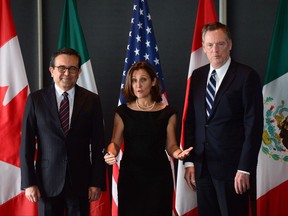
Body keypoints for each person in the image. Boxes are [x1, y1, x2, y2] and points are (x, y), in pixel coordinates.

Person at [184, 22, 263, 216]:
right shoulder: (198, 76)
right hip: (202, 167)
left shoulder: (246, 76)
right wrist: (190, 162)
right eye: (210, 45)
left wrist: (245, 168)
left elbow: (253, 125)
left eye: (220, 44)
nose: (215, 50)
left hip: (233, 170)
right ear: (203, 47)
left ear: (230, 45)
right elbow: (192, 120)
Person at [20, 48, 106, 216]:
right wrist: (29, 183)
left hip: (81, 181)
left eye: (72, 68)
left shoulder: (92, 100)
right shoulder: (36, 100)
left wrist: (96, 181)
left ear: (79, 72)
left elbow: (98, 144)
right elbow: (27, 144)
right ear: (52, 71)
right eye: (62, 68)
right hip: (46, 182)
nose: (67, 73)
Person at [104, 61, 192, 216]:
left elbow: (171, 145)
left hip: (158, 178)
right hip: (130, 177)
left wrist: (179, 154)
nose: (138, 85)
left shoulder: (168, 113)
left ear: (153, 81)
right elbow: (115, 142)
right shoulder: (122, 112)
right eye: (134, 80)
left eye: (143, 79)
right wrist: (110, 154)